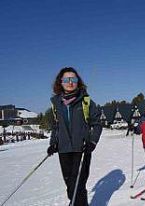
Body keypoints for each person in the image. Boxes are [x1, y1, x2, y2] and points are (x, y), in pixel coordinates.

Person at [47, 67, 102, 206]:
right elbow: (56, 126)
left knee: (78, 184)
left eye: (73, 79)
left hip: (81, 148)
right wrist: (53, 143)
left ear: (78, 81)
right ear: (61, 82)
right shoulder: (56, 103)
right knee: (70, 185)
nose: (70, 82)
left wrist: (93, 141)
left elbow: (97, 124)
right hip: (63, 149)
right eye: (66, 79)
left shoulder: (86, 102)